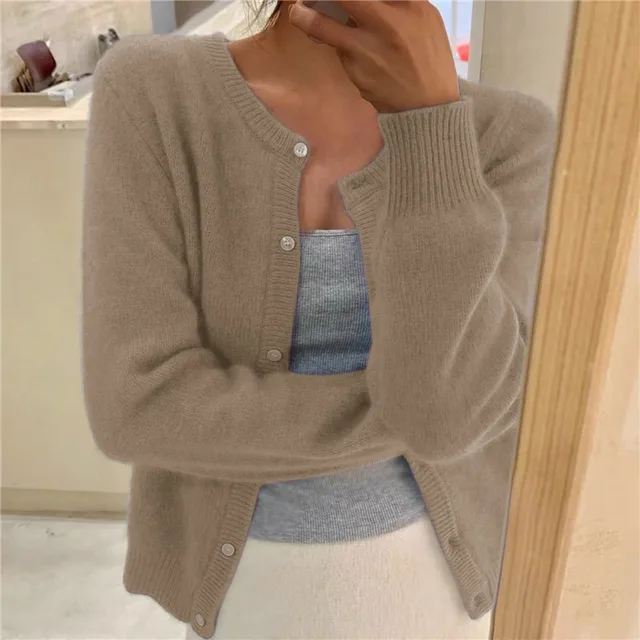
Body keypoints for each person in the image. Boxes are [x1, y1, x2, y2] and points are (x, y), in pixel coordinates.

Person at [81, 1, 556, 638]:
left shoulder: (509, 135)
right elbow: (138, 407)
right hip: (247, 596)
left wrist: (431, 127)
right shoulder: (155, 92)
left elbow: (449, 420)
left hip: (445, 595)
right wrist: (408, 412)